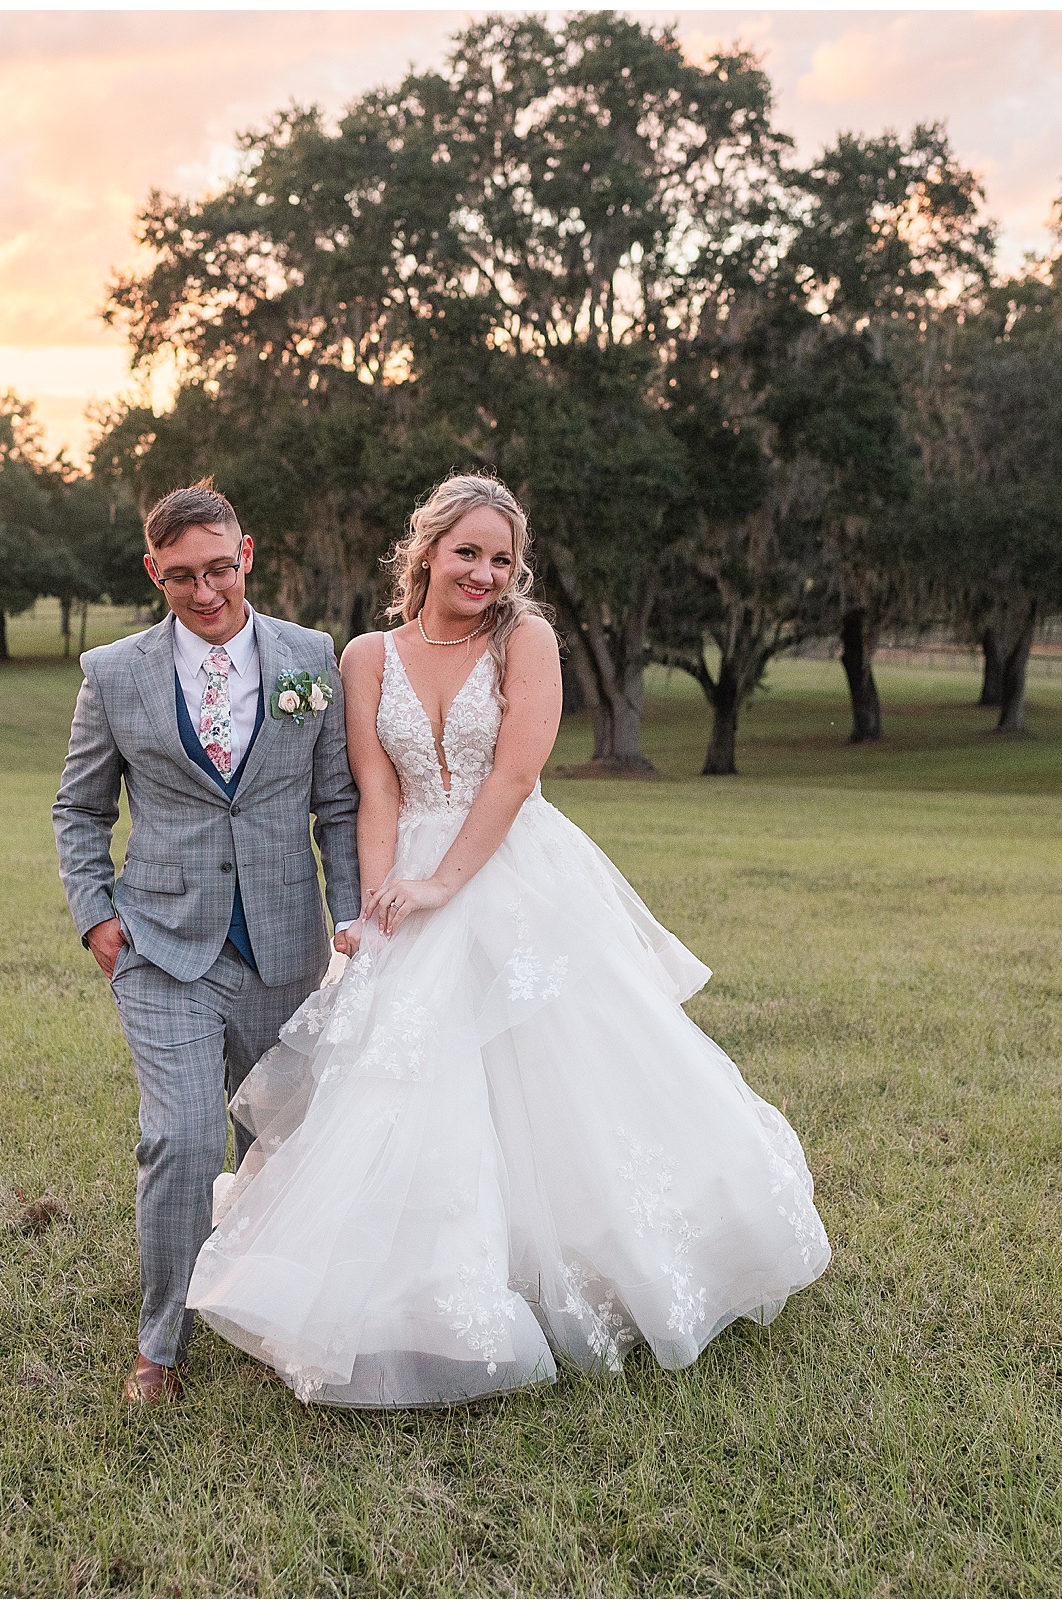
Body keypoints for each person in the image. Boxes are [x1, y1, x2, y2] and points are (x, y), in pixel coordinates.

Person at [186, 473, 830, 1406]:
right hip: (405, 872)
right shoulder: (367, 654)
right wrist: (374, 906)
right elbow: (378, 789)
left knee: (564, 1069)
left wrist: (447, 882)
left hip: (509, 869)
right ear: (427, 550)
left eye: (502, 558)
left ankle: (590, 1264)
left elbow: (518, 774)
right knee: (402, 1079)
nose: (485, 572)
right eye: (468, 552)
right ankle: (420, 1297)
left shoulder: (524, 640)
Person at [53, 478, 362, 1405]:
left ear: (248, 557)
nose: (205, 591)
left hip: (286, 947)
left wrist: (347, 919)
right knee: (182, 1138)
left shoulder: (313, 658)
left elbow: (338, 805)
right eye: (180, 575)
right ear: (154, 571)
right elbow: (79, 807)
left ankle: (273, 1312)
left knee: (275, 1139)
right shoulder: (113, 673)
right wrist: (97, 918)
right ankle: (163, 1345)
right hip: (162, 947)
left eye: (220, 568)